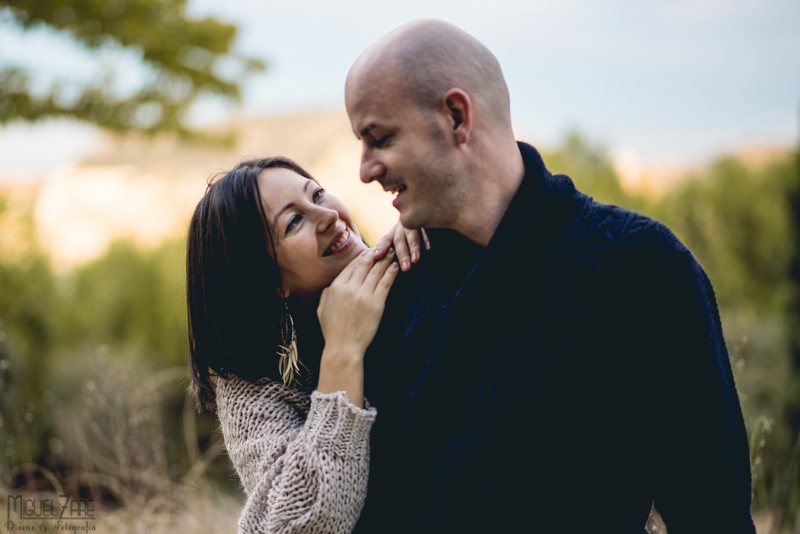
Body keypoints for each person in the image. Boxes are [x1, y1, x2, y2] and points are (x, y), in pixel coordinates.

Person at [345, 19, 756, 533]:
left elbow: (712, 511)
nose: (364, 170)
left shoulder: (642, 270)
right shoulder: (386, 290)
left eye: (379, 139)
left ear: (456, 116)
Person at [185, 156, 424, 533]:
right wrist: (342, 351)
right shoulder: (251, 392)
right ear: (266, 281)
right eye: (294, 222)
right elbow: (300, 526)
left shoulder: (415, 263)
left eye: (317, 193)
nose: (327, 215)